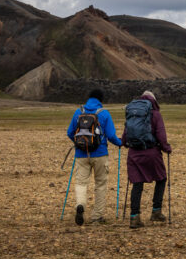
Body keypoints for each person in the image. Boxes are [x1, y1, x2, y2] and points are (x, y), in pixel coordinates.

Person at [66, 89, 122, 225]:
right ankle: (97, 217)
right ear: (101, 100)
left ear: (89, 98)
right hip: (100, 154)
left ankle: (81, 205)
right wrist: (120, 143)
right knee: (100, 184)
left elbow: (69, 132)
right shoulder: (104, 113)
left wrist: (78, 144)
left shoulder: (78, 112)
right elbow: (111, 135)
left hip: (81, 155)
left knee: (81, 182)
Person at [122, 91, 172, 229]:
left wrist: (125, 143)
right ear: (154, 100)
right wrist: (167, 148)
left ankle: (134, 217)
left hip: (134, 154)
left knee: (137, 184)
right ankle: (156, 211)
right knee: (161, 179)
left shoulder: (132, 112)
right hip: (151, 152)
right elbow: (161, 135)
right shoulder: (155, 114)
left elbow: (125, 135)